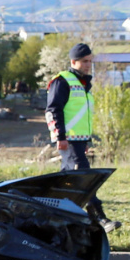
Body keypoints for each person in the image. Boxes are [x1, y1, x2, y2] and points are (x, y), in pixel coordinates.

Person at [46, 42, 96, 171]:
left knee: (73, 175)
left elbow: (82, 115)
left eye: (90, 61)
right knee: (80, 175)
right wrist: (60, 137)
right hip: (67, 139)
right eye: (85, 61)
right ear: (73, 62)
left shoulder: (83, 84)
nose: (88, 65)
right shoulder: (62, 81)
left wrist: (85, 140)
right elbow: (53, 110)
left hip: (79, 139)